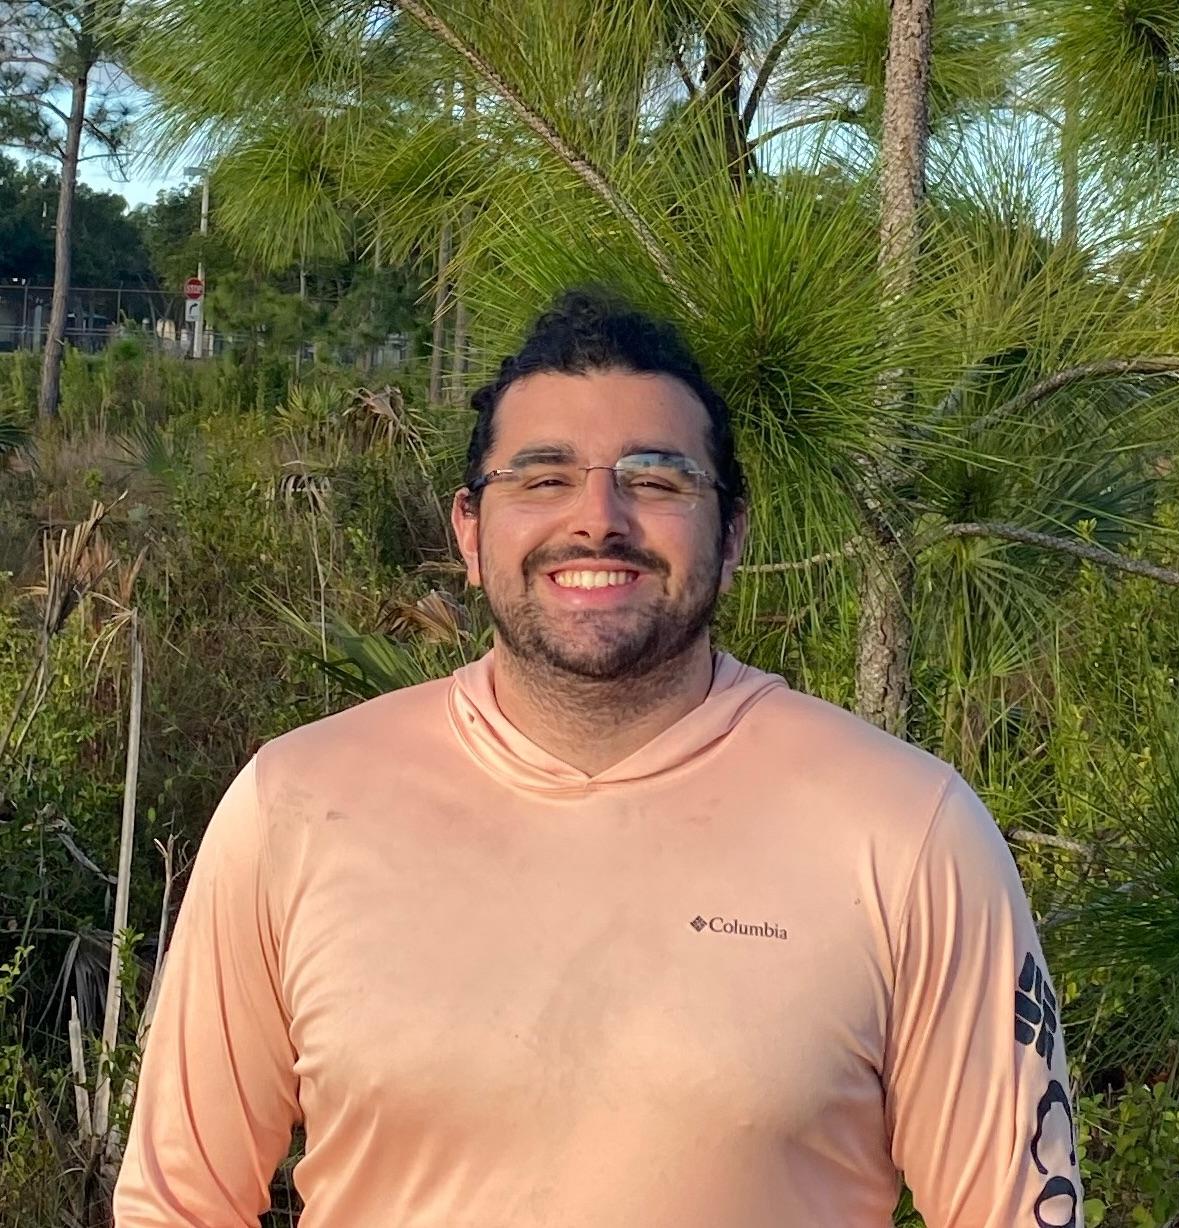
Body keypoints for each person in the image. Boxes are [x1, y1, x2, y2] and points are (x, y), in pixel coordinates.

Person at [113, 289, 1083, 1228]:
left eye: (655, 479)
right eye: (542, 478)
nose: (597, 518)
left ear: (732, 532)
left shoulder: (906, 828)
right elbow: (177, 1204)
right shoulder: (296, 805)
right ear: (469, 530)